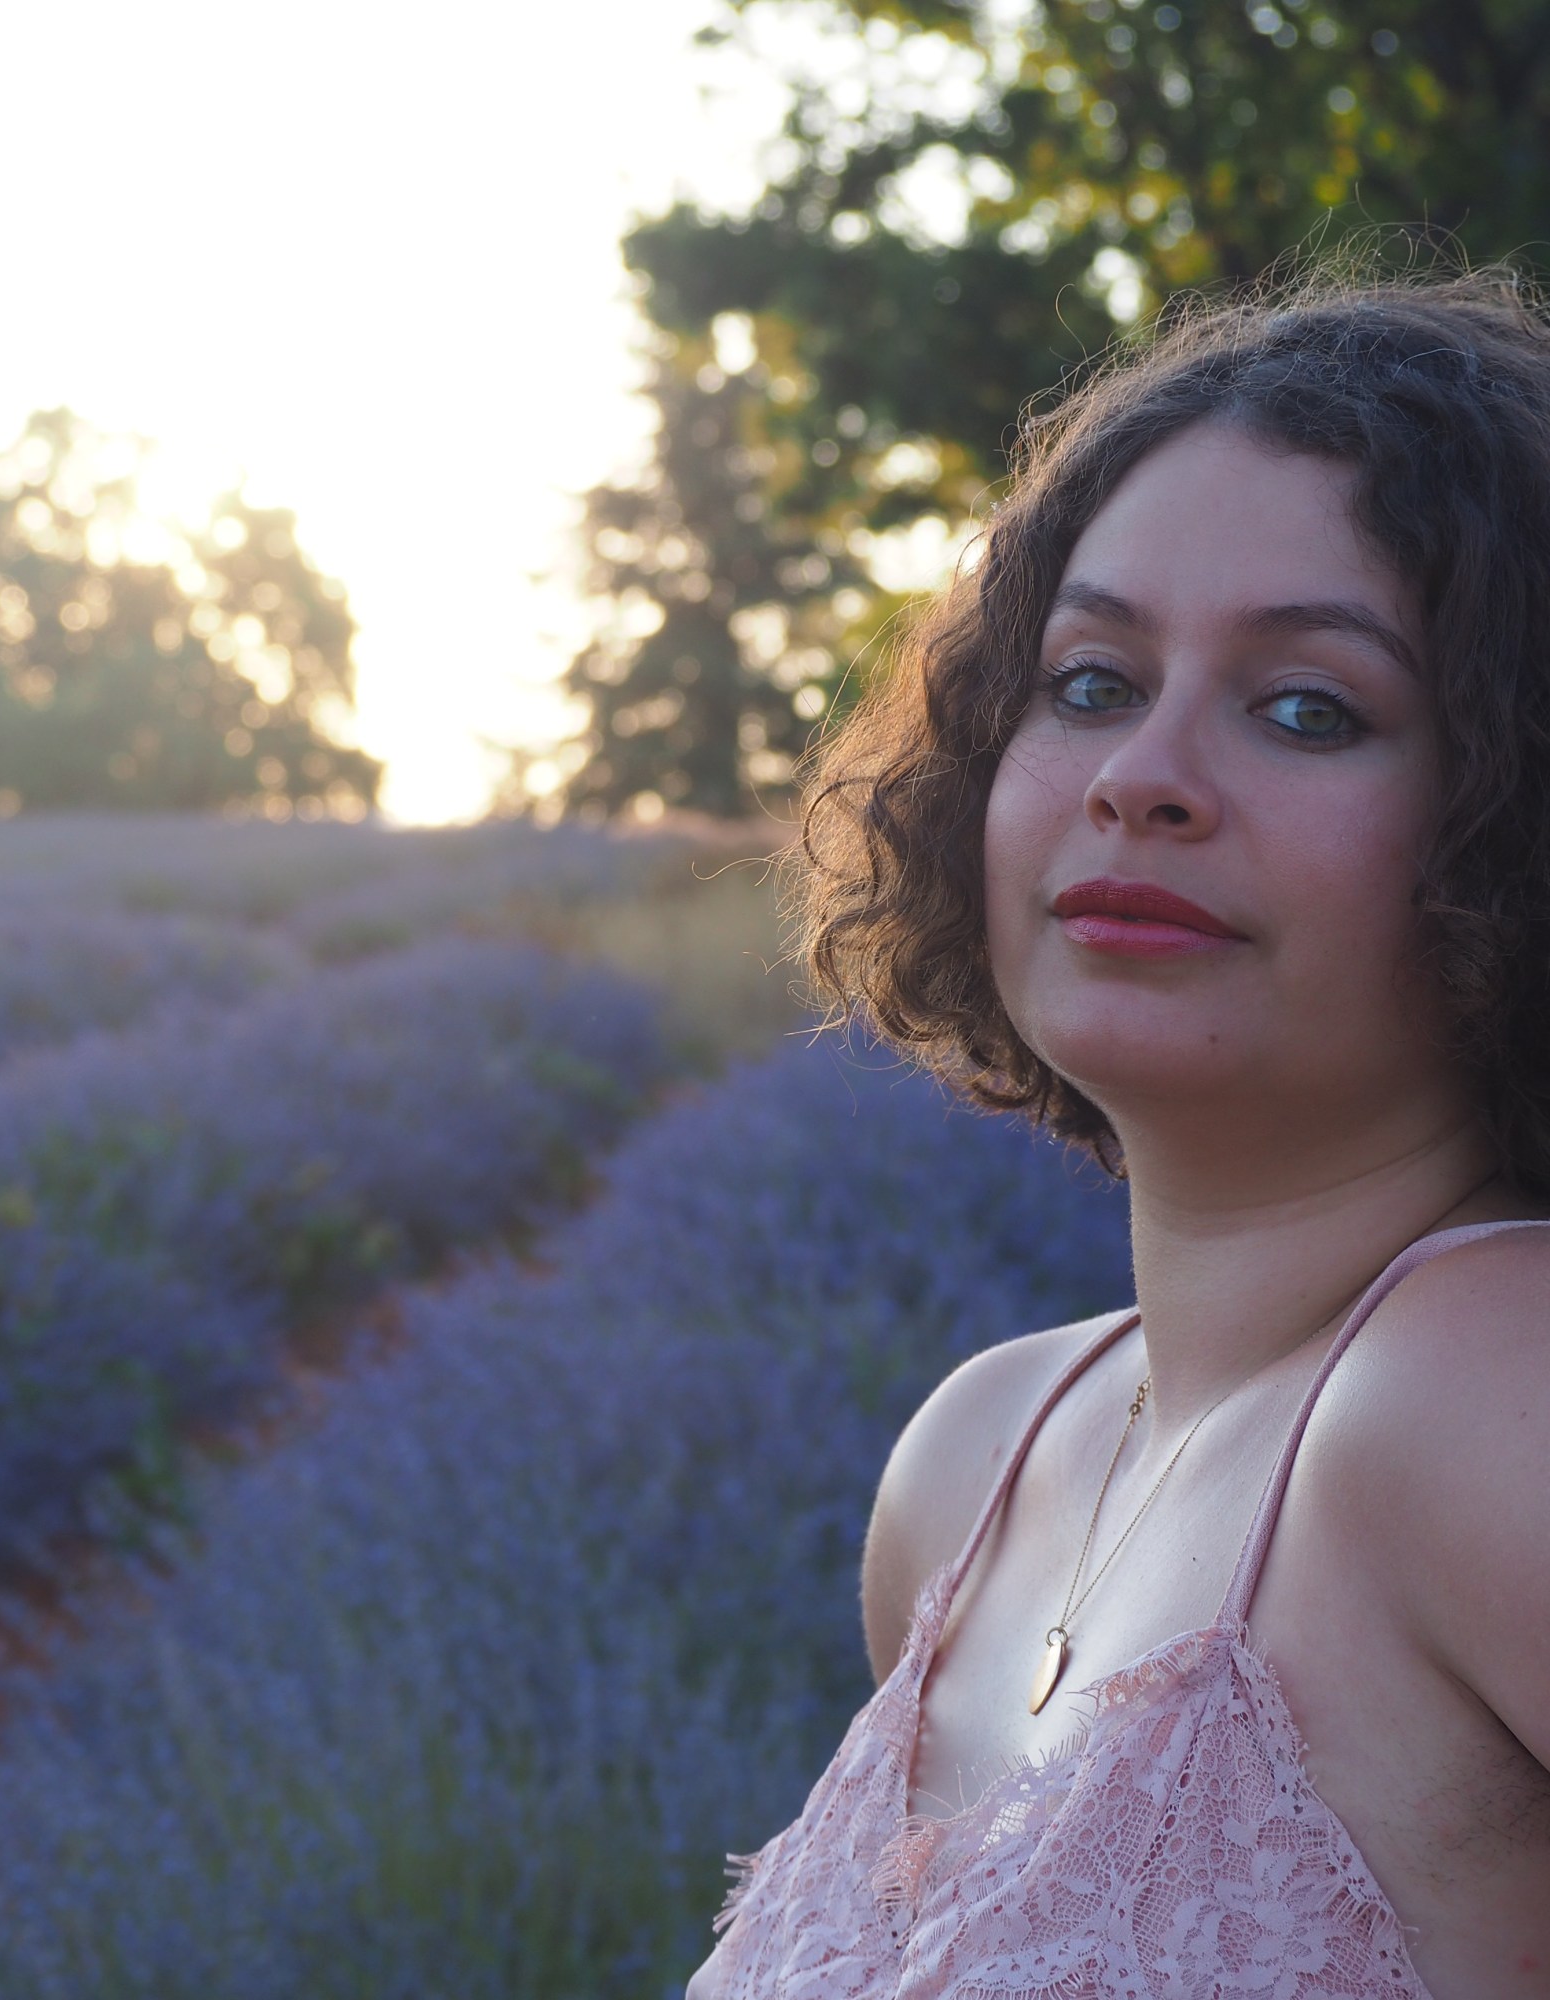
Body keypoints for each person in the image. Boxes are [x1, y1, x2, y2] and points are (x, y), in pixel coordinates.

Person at [686, 268, 1550, 1999]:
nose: (1138, 774)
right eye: (1089, 681)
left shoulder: (1490, 1393)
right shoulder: (978, 1459)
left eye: (1308, 707)